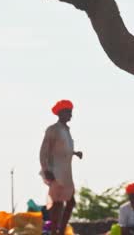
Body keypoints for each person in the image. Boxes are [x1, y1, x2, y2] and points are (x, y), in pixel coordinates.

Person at [40, 99, 82, 235]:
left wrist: (75, 153)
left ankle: (60, 231)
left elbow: (63, 150)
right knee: (59, 203)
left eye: (71, 112)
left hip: (66, 172)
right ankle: (55, 232)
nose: (70, 115)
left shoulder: (66, 130)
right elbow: (44, 152)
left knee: (68, 202)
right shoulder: (53, 129)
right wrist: (47, 170)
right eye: (67, 112)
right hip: (55, 171)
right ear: (60, 113)